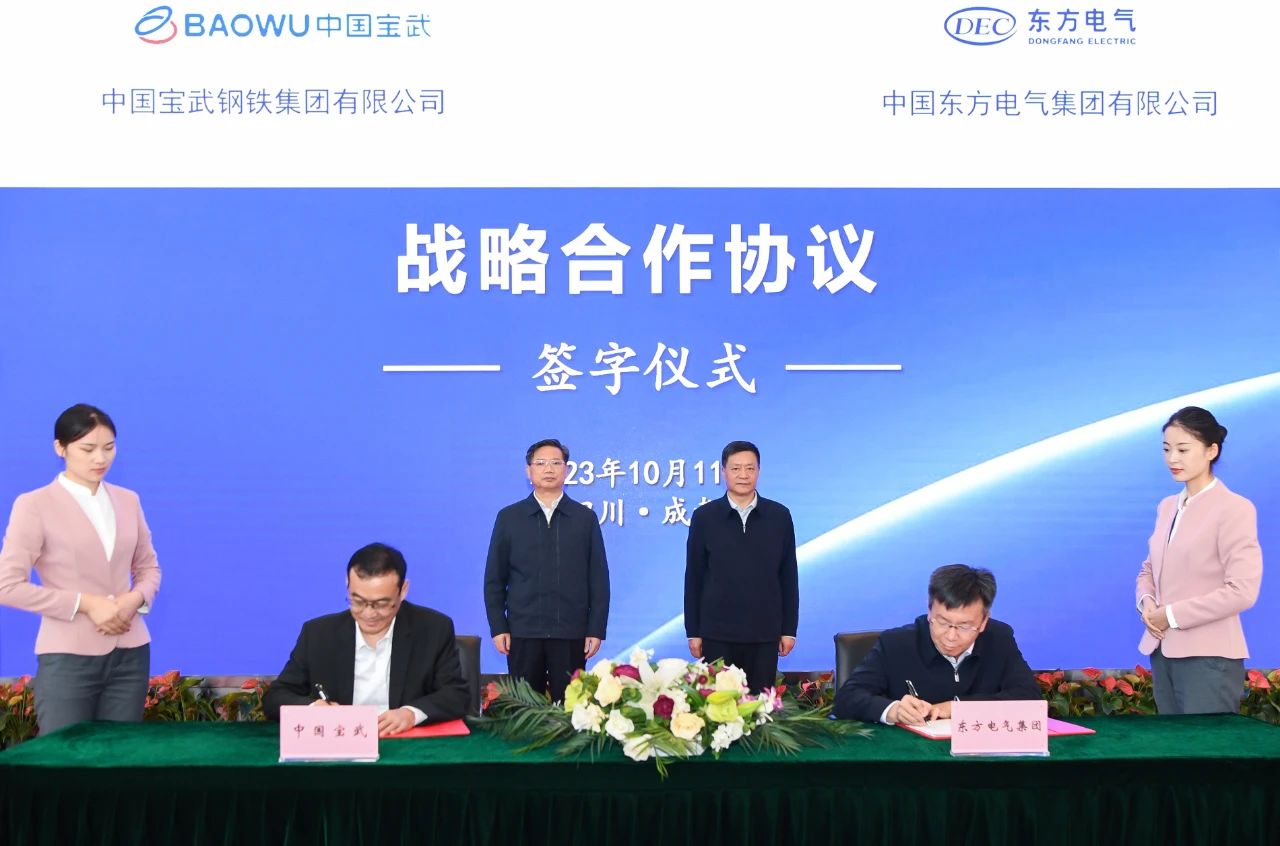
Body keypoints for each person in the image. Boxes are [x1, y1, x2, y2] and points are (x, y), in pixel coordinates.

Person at [0, 404, 162, 734]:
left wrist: (134, 600)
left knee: (121, 755)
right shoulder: (34, 505)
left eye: (109, 447)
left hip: (130, 654)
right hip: (68, 656)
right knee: (65, 756)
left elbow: (148, 568)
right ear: (60, 448)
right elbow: (7, 586)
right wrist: (86, 604)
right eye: (87, 449)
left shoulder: (128, 500)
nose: (100, 458)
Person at [263, 542, 468, 735]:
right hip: (343, 744)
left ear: (403, 590)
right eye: (358, 601)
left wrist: (411, 714)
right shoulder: (318, 634)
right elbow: (276, 697)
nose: (369, 614)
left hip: (406, 742)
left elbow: (456, 695)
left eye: (381, 604)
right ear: (347, 584)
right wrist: (315, 708)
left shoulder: (433, 629)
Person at [1135, 406, 1263, 714]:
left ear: (1211, 451)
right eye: (1166, 449)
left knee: (1205, 745)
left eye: (1182, 449)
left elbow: (1242, 591)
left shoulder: (1234, 508)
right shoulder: (1167, 506)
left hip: (1209, 658)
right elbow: (1149, 569)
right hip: (1162, 651)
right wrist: (1148, 604)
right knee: (1172, 744)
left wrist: (1171, 615)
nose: (1172, 458)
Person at [484, 438, 610, 703]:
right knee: (526, 709)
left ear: (567, 470)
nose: (549, 469)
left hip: (571, 632)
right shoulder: (509, 517)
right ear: (528, 471)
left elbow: (598, 579)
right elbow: (494, 579)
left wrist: (595, 629)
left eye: (556, 463)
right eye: (540, 463)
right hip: (523, 632)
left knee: (571, 709)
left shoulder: (584, 518)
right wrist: (498, 626)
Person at [833, 565, 1038, 724]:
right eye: (942, 622)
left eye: (964, 626)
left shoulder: (999, 638)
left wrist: (955, 708)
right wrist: (893, 710)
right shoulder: (896, 644)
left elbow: (1029, 697)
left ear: (984, 621)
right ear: (929, 610)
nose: (951, 636)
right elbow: (847, 699)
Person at [684, 440, 798, 693]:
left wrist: (789, 630)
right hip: (717, 634)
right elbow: (694, 577)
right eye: (736, 468)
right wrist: (694, 631)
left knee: (759, 707)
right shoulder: (705, 517)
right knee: (719, 706)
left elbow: (788, 576)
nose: (743, 475)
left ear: (759, 471)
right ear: (723, 471)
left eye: (750, 468)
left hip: (765, 633)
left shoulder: (779, 516)